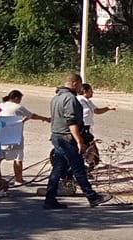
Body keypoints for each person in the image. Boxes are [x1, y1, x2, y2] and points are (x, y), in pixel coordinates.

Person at [44, 72, 111, 209]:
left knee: (57, 168)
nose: (81, 88)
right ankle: (92, 196)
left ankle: (50, 198)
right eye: (80, 85)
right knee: (78, 168)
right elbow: (71, 121)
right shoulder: (70, 99)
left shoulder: (56, 98)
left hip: (57, 136)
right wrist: (79, 141)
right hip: (67, 138)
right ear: (75, 83)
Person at [0, 89, 50, 186]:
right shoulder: (18, 107)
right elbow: (32, 115)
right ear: (16, 98)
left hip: (1, 135)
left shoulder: (0, 105)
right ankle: (19, 179)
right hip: (15, 136)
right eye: (20, 99)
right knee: (18, 158)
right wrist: (45, 118)